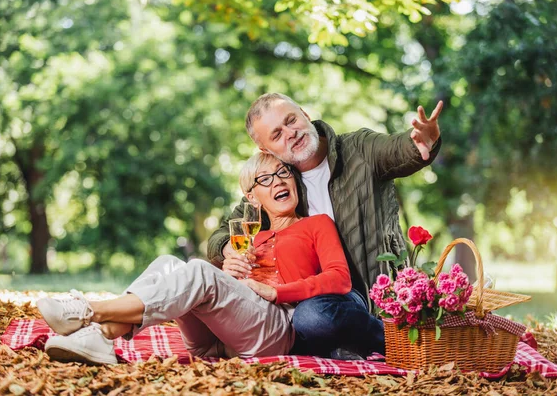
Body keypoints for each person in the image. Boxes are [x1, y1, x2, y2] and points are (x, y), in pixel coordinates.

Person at [36, 153, 386, 364]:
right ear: (252, 196)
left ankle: (86, 312)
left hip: (278, 330)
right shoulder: (252, 237)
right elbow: (225, 289)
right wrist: (229, 268)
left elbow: (340, 279)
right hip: (217, 340)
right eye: (266, 178)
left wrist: (277, 292)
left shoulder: (316, 225)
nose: (279, 180)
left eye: (283, 173)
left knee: (199, 271)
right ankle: (101, 337)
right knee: (165, 263)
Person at [208, 93, 442, 357]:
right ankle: (343, 345)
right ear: (266, 150)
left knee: (313, 318)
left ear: (305, 115)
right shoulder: (278, 181)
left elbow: (397, 149)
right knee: (308, 317)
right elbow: (227, 231)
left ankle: (392, 341)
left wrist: (424, 142)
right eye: (277, 134)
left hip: (369, 290)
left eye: (291, 120)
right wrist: (230, 252)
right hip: (312, 295)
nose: (291, 133)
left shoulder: (359, 149)